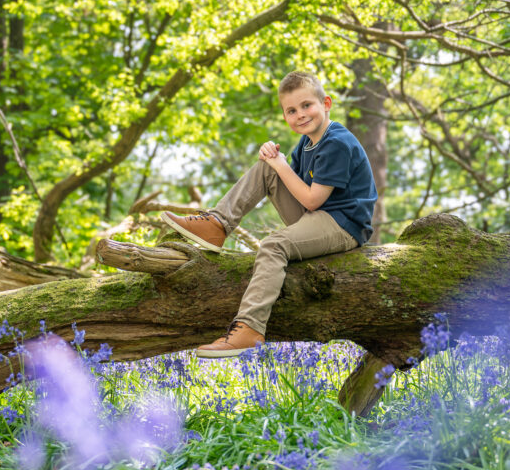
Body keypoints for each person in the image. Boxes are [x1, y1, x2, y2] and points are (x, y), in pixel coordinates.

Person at [162, 71, 377, 358]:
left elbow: (313, 201)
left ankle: (250, 328)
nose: (300, 114)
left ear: (326, 103)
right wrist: (274, 162)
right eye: (291, 110)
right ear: (285, 116)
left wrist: (281, 165)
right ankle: (217, 224)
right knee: (266, 166)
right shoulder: (306, 143)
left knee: (274, 245)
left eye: (306, 105)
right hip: (317, 216)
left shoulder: (336, 142)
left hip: (343, 224)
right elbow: (293, 185)